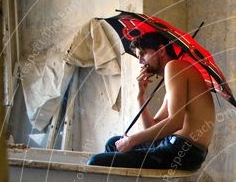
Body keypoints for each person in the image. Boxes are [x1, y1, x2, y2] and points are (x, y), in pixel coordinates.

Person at [87, 32, 214, 171]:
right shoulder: (176, 74)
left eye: (143, 54)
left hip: (182, 150)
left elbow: (175, 123)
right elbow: (152, 127)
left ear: (160, 50)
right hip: (179, 148)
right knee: (113, 144)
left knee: (96, 161)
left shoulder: (174, 66)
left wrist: (132, 140)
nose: (140, 61)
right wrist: (140, 96)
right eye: (138, 57)